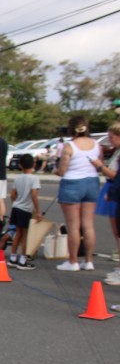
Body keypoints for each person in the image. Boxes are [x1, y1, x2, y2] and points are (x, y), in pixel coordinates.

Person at [54, 115, 104, 272]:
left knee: (73, 226)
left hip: (72, 183)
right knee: (88, 225)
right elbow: (100, 164)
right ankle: (88, 261)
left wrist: (56, 171)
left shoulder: (69, 146)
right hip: (92, 182)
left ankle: (73, 261)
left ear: (71, 129)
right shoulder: (96, 144)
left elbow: (62, 170)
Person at [0, 154, 42, 270]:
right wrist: (38, 211)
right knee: (25, 235)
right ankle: (23, 260)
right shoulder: (34, 179)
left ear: (21, 165)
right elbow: (34, 195)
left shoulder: (18, 178)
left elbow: (12, 195)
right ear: (33, 164)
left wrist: (16, 203)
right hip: (26, 210)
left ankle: (13, 257)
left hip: (16, 208)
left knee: (17, 234)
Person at [100, 125, 120, 286]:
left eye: (112, 137)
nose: (110, 140)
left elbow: (115, 175)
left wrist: (100, 166)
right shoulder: (116, 152)